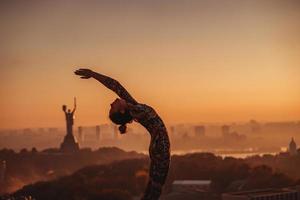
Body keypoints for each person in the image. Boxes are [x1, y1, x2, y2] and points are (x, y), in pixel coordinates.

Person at [74, 68, 170, 200]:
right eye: (112, 107)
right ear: (122, 111)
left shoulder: (133, 106)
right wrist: (93, 74)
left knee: (153, 190)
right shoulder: (136, 110)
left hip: (159, 149)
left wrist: (93, 74)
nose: (111, 103)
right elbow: (116, 86)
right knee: (154, 190)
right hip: (160, 149)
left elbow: (115, 85)